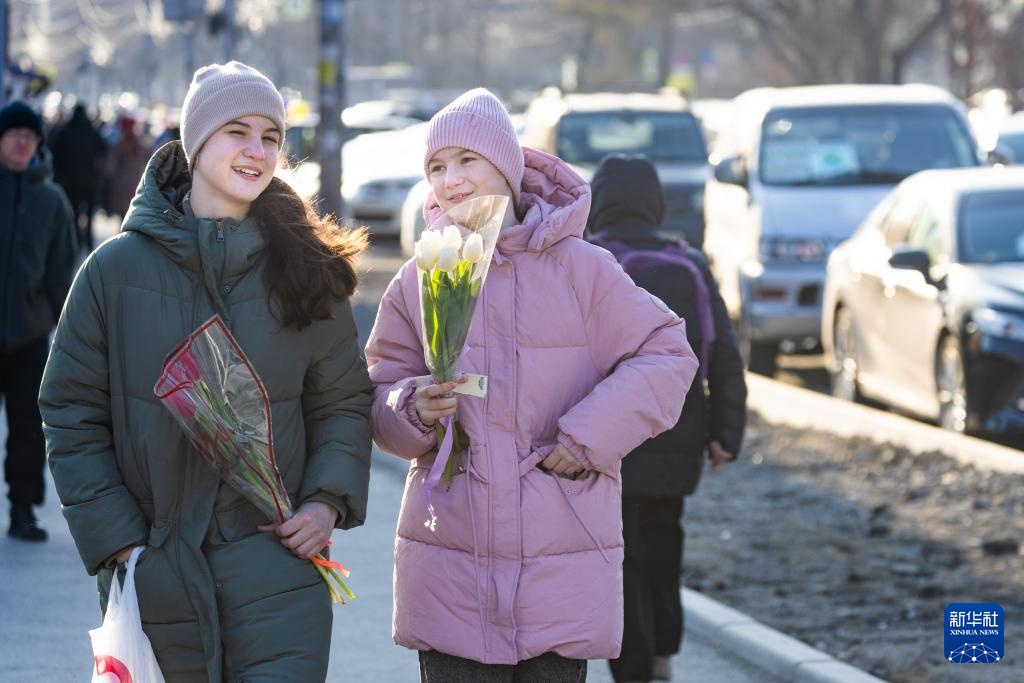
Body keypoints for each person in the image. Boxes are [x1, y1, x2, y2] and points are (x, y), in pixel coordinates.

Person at [39, 61, 373, 681]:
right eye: (237, 132)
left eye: (271, 137)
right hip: (156, 570)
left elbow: (343, 403)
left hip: (279, 568)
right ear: (196, 145)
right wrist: (120, 544)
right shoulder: (113, 272)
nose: (257, 150)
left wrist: (326, 502)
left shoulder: (308, 271)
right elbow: (69, 409)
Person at [365, 88, 699, 682]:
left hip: (559, 560)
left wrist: (587, 439)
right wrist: (412, 407)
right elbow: (378, 395)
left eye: (468, 160)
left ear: (508, 166)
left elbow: (668, 354)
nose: (451, 179)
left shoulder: (580, 268)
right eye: (437, 167)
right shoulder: (422, 276)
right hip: (451, 565)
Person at [586, 154, 747, 683]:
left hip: (608, 434)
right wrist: (727, 435)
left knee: (619, 554)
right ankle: (664, 653)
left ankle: (632, 665)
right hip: (680, 431)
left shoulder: (588, 259)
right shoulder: (691, 263)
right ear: (655, 202)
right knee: (665, 542)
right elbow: (722, 353)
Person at [0, 101, 76, 542]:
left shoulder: (52, 200)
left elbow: (61, 270)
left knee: (28, 430)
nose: (22, 142)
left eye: (30, 135)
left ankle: (23, 509)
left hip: (29, 336)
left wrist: (55, 323)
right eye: (14, 135)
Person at [50, 103, 106, 250]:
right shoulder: (92, 132)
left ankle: (75, 243)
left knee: (73, 214)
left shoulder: (65, 133)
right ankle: (88, 242)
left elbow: (55, 155)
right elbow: (103, 151)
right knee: (89, 215)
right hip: (89, 181)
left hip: (70, 182)